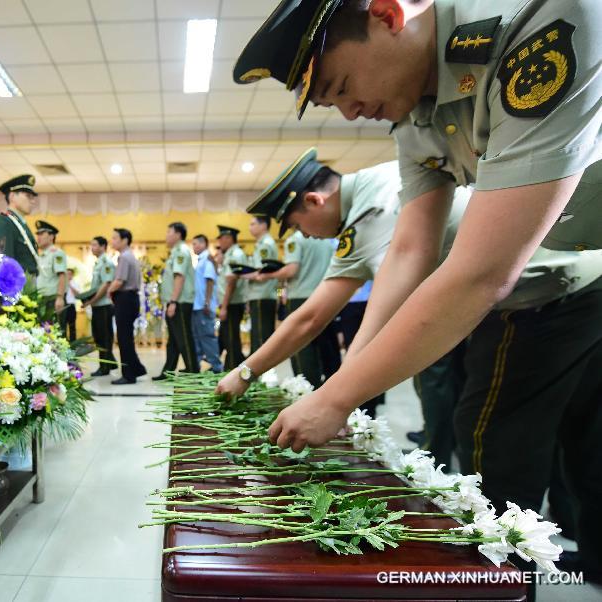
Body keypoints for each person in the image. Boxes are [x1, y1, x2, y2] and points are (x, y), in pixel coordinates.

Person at [234, 0, 602, 577]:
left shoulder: (537, 21)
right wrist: (349, 380)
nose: (351, 114)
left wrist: (335, 398)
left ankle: (501, 580)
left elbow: (481, 271)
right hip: (559, 276)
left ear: (385, 13)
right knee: (582, 438)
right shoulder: (414, 114)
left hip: (565, 282)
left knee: (493, 439)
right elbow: (410, 252)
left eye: (342, 86)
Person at [217, 151, 466, 420]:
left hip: (506, 299)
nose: (306, 235)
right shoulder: (362, 199)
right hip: (470, 304)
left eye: (299, 227)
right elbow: (310, 317)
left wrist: (331, 402)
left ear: (314, 200)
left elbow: (376, 322)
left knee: (473, 419)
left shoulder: (370, 211)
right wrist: (246, 372)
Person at [254, 225, 338, 386]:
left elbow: (292, 270)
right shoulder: (327, 240)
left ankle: (306, 390)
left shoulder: (295, 239)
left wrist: (269, 275)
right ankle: (328, 388)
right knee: (326, 348)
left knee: (301, 348)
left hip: (301, 297)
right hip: (326, 296)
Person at [154, 222, 199, 380]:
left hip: (179, 302)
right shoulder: (175, 252)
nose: (166, 235)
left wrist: (173, 302)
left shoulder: (181, 251)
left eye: (169, 232)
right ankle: (168, 371)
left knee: (183, 337)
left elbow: (179, 277)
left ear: (178, 234)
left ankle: (193, 370)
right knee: (174, 339)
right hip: (175, 301)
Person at [108, 228, 147, 384]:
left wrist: (108, 291)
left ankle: (129, 374)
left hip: (125, 298)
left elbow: (119, 281)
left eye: (115, 238)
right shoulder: (130, 255)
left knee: (124, 339)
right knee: (126, 337)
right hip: (130, 299)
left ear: (124, 240)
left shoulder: (124, 257)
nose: (113, 241)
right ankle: (136, 368)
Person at [0, 174, 39, 277]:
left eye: (33, 197)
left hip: (28, 284)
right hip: (16, 287)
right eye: (28, 196)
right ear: (12, 196)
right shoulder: (2, 222)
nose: (33, 201)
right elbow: (0, 261)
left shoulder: (20, 224)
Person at [245, 215, 278, 353]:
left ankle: (259, 373)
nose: (250, 227)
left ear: (264, 225)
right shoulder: (264, 243)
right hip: (263, 295)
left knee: (260, 338)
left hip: (262, 295)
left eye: (253, 224)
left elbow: (261, 272)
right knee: (261, 336)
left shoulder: (265, 244)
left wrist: (241, 274)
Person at [216, 225, 247, 370]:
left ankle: (233, 367)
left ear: (229, 238)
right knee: (227, 336)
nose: (219, 243)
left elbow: (231, 283)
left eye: (221, 239)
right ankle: (236, 364)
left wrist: (224, 306)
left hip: (232, 304)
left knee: (231, 337)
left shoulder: (235, 254)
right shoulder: (230, 254)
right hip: (231, 303)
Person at [190, 234, 223, 373]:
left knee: (207, 337)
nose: (194, 247)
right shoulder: (200, 260)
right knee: (197, 337)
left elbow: (210, 280)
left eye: (196, 244)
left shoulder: (207, 260)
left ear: (204, 244)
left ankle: (216, 367)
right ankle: (195, 366)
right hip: (197, 306)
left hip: (204, 306)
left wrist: (207, 302)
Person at [85, 235, 117, 377]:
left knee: (104, 337)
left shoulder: (106, 262)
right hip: (97, 305)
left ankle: (104, 367)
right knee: (98, 336)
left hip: (104, 306)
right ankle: (109, 363)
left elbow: (106, 284)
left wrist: (91, 301)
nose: (92, 248)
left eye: (95, 245)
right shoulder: (98, 262)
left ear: (103, 247)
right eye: (91, 245)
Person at [34, 220, 68, 333]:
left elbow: (62, 275)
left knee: (56, 335)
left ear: (51, 236)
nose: (38, 237)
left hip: (53, 300)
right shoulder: (41, 255)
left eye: (42, 234)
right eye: (37, 234)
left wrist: (59, 297)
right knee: (44, 334)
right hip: (42, 299)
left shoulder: (56, 253)